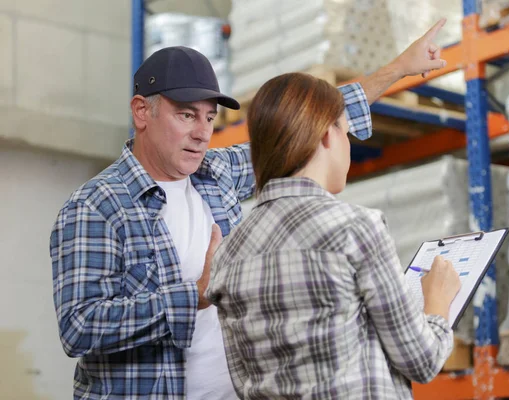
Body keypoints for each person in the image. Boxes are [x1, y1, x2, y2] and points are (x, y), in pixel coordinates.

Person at [50, 18, 450, 399]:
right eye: (186, 115)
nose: (202, 133)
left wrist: (399, 68)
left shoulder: (215, 174)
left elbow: (302, 126)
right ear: (142, 111)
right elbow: (79, 327)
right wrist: (196, 295)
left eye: (208, 117)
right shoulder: (95, 207)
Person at [205, 31, 461, 400]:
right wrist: (437, 301)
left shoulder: (228, 256)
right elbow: (421, 360)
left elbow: (244, 384)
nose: (348, 142)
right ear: (327, 135)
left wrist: (397, 69)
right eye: (345, 128)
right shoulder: (356, 228)